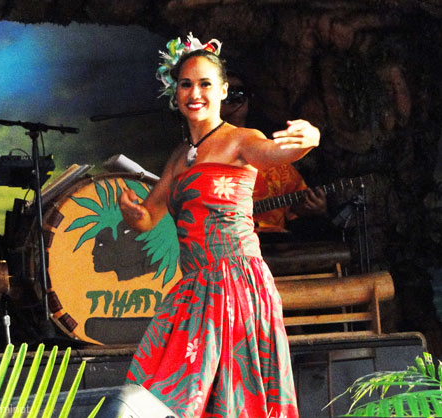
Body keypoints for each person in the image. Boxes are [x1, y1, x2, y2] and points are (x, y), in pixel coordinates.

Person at [119, 34, 320, 418]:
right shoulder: (180, 157)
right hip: (194, 288)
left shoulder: (241, 140)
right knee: (154, 391)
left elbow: (279, 152)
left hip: (235, 286)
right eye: (186, 84)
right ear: (174, 92)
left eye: (206, 84)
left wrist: (310, 137)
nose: (195, 93)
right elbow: (149, 216)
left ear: (224, 90)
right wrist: (133, 213)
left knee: (228, 401)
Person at [221, 70, 327, 236]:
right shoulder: (201, 152)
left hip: (271, 242)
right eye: (227, 92)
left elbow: (297, 205)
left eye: (239, 92)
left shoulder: (273, 157)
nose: (233, 98)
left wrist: (316, 208)